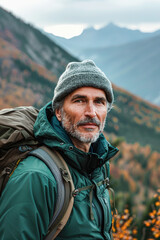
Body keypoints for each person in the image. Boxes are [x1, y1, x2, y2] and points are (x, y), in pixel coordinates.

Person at [0, 59, 118, 239]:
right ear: (58, 111)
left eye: (99, 102)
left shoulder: (97, 164)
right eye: (79, 101)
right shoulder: (36, 176)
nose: (91, 112)